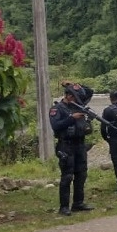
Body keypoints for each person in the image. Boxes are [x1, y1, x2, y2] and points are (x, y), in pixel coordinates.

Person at [49, 84, 95, 216]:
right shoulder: (57, 109)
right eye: (74, 96)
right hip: (66, 145)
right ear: (68, 96)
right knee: (67, 176)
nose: (77, 99)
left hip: (80, 144)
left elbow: (90, 91)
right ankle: (64, 207)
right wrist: (71, 118)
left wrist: (74, 85)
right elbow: (55, 125)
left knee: (81, 174)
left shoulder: (78, 106)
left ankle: (78, 203)